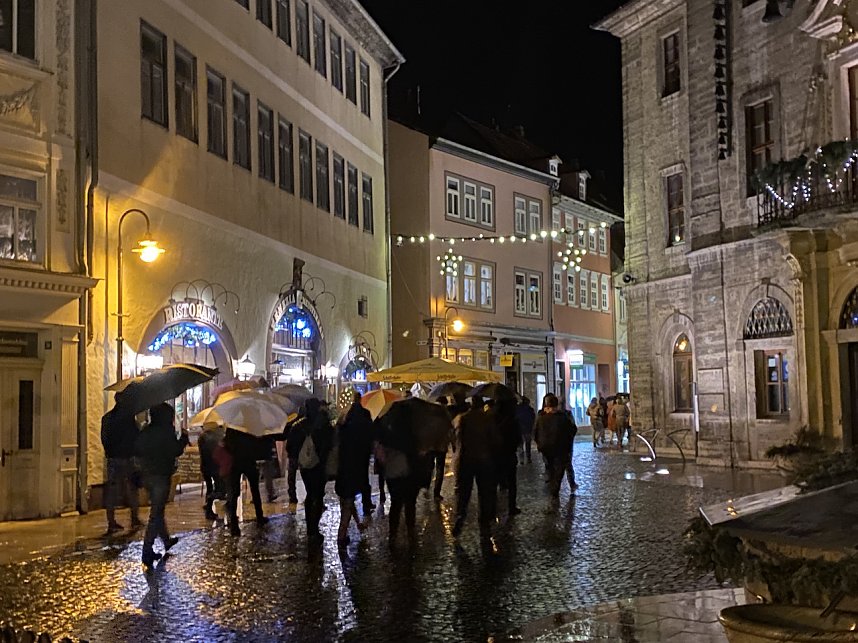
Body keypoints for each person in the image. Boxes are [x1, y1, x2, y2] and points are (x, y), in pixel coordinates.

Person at [134, 403, 189, 569]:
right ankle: (147, 550)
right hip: (161, 476)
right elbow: (174, 450)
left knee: (158, 510)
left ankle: (166, 540)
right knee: (156, 513)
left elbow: (138, 450)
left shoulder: (146, 431)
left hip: (147, 475)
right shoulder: (166, 431)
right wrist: (183, 439)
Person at [452, 399, 500, 539]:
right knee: (485, 491)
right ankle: (484, 521)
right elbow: (495, 439)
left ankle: (460, 517)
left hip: (465, 459)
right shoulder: (487, 419)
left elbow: (455, 437)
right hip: (484, 460)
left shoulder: (461, 418)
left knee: (464, 492)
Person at [100, 391, 142, 534]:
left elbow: (104, 438)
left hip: (113, 458)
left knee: (112, 491)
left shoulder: (107, 418)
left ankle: (111, 522)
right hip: (128, 457)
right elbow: (137, 437)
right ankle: (134, 518)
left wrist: (109, 452)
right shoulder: (129, 420)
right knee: (132, 488)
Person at [335, 392, 373, 547]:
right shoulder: (365, 416)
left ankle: (351, 527)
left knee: (346, 500)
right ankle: (341, 535)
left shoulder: (344, 418)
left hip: (343, 463)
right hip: (358, 462)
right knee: (350, 499)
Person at [299, 398, 334, 545]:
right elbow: (330, 441)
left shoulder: (301, 424)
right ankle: (314, 527)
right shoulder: (323, 423)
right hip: (319, 464)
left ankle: (310, 527)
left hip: (305, 465)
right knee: (318, 495)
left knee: (310, 494)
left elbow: (291, 445)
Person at [223, 429, 270, 536]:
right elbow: (256, 445)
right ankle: (259, 516)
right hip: (248, 461)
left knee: (234, 494)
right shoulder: (249, 428)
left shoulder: (231, 429)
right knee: (254, 489)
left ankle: (234, 525)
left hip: (235, 463)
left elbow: (226, 446)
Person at [534, 394, 578, 501]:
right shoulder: (563, 417)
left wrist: (540, 443)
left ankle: (552, 487)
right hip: (560, 448)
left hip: (546, 448)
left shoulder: (541, 418)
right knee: (559, 469)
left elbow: (535, 433)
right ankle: (555, 489)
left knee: (550, 468)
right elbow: (572, 430)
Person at [496, 395, 522, 516]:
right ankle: (511, 507)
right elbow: (518, 439)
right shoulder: (513, 421)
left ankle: (493, 508)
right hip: (509, 455)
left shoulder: (493, 419)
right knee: (512, 483)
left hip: (496, 455)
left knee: (494, 482)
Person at [197, 425, 226, 521]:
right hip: (215, 467)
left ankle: (209, 510)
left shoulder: (202, 437)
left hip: (205, 466)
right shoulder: (216, 438)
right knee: (220, 489)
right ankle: (210, 504)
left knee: (210, 487)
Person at [515, 397, 536, 464]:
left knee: (520, 445)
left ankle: (521, 459)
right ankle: (528, 458)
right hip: (527, 429)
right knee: (528, 444)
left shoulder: (517, 409)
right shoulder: (530, 409)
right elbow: (533, 418)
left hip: (519, 429)